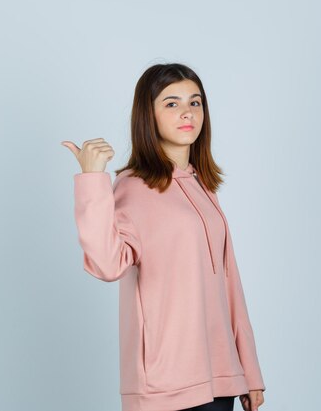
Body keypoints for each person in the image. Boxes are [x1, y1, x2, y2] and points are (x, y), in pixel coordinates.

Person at [61, 63, 266, 411]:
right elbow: (107, 265)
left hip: (220, 377)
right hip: (166, 384)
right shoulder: (134, 186)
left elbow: (230, 286)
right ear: (148, 115)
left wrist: (248, 369)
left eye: (195, 102)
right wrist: (92, 179)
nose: (187, 113)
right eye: (171, 103)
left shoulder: (203, 185)